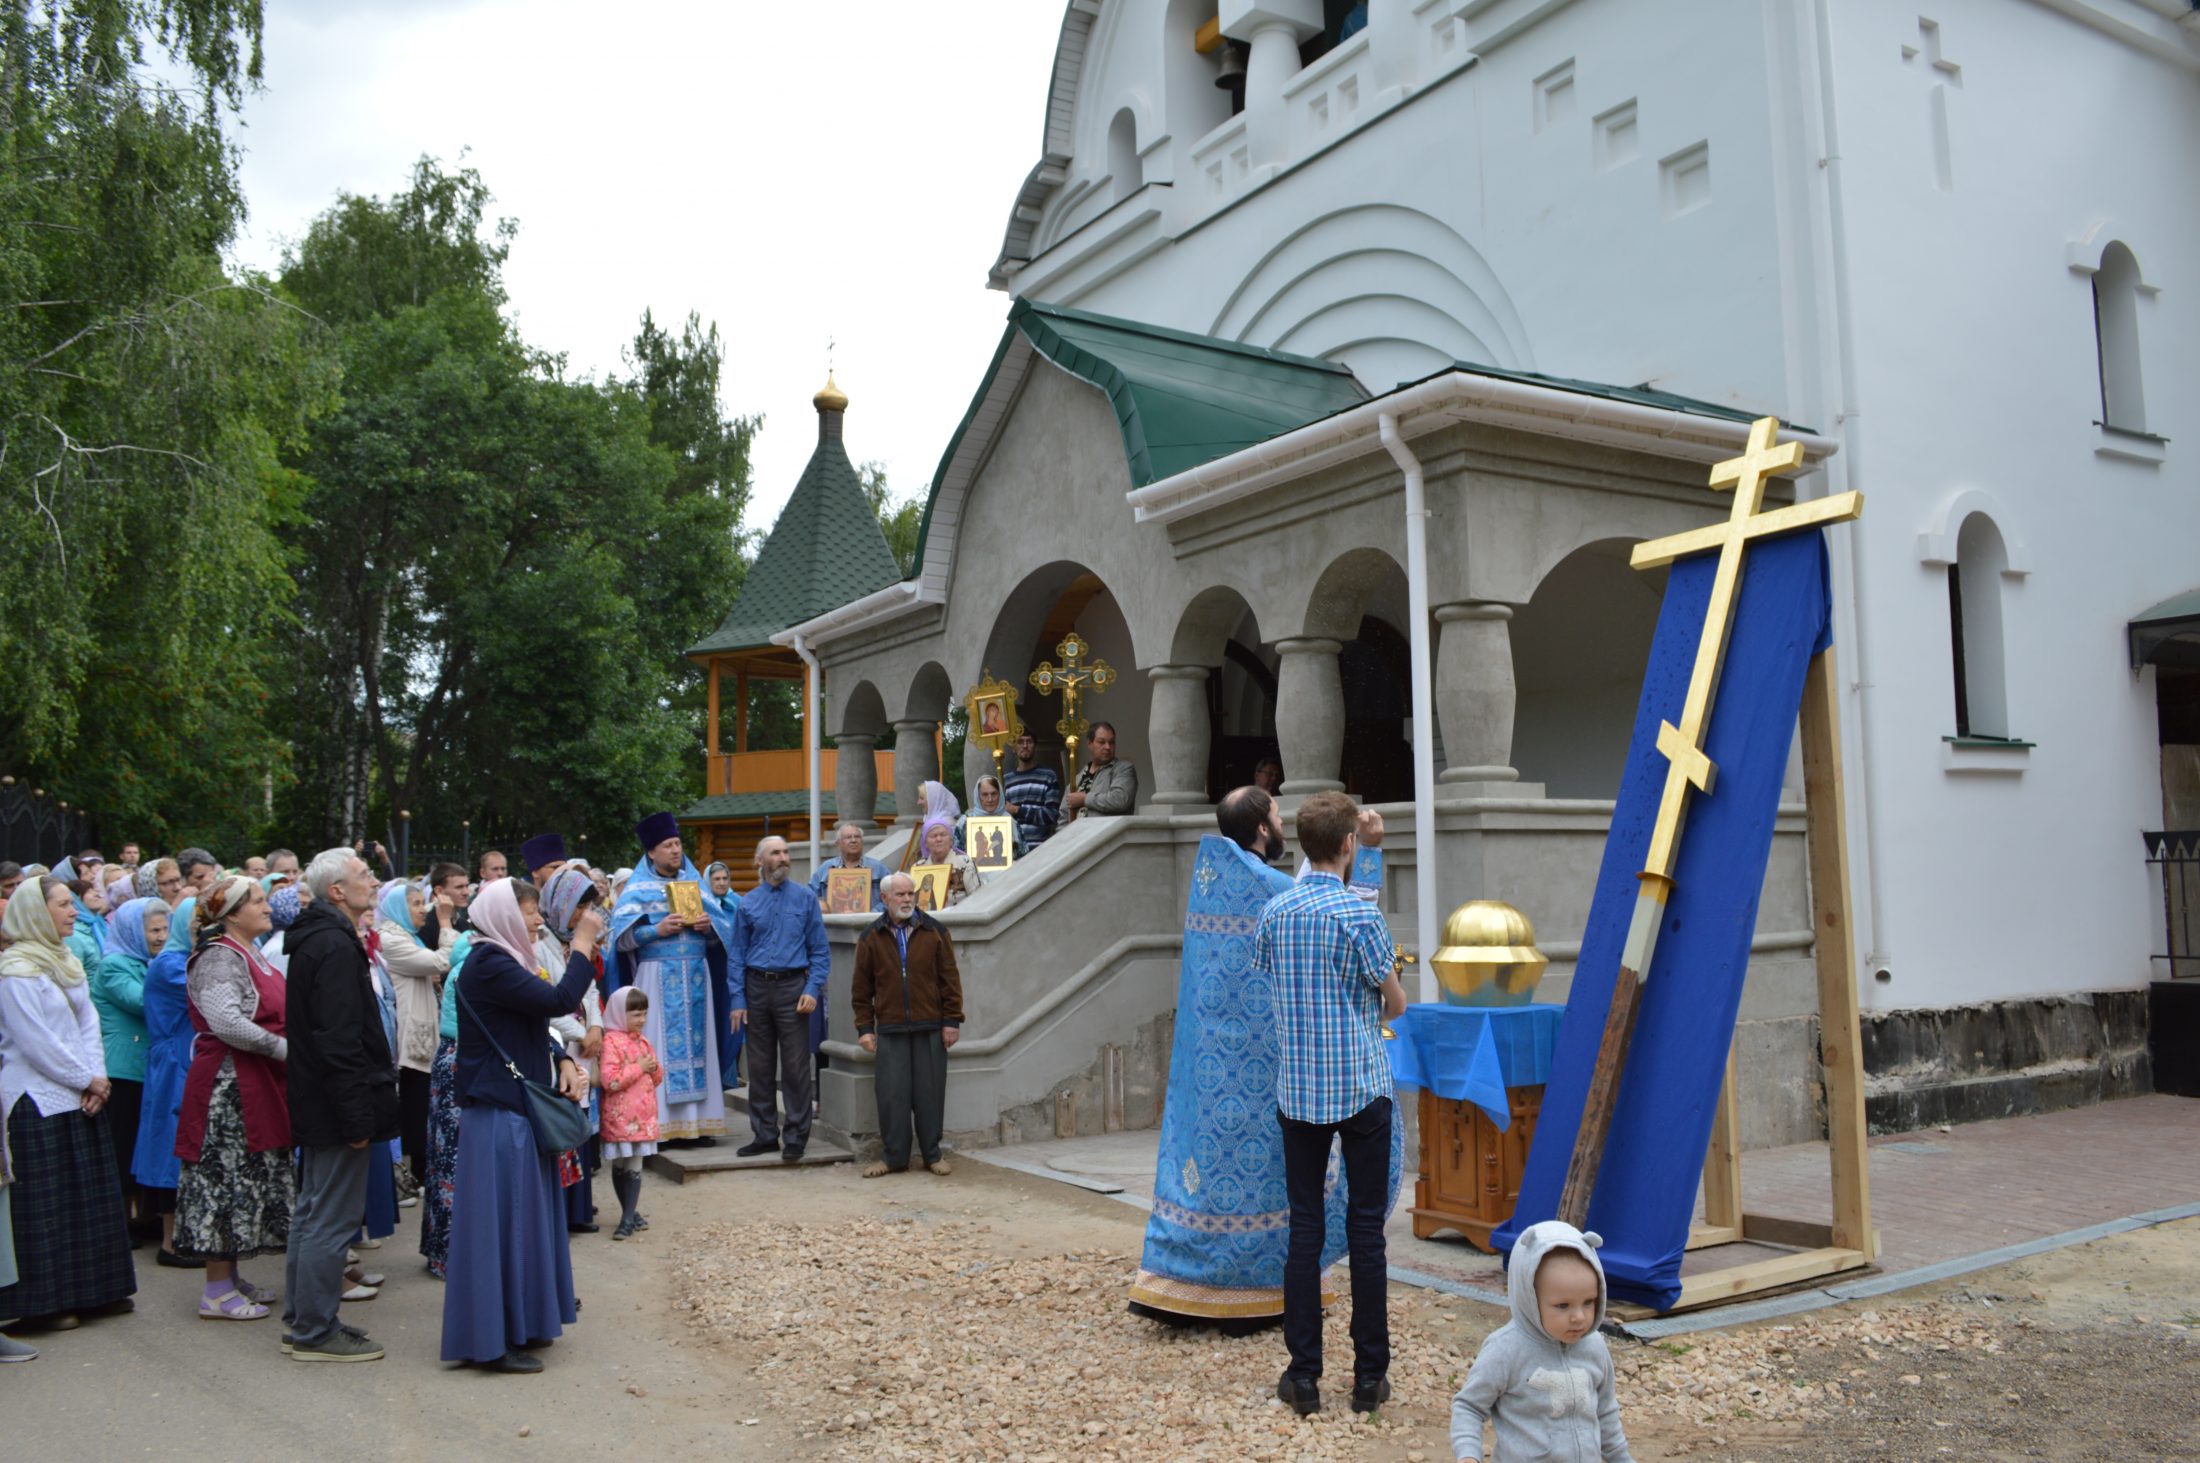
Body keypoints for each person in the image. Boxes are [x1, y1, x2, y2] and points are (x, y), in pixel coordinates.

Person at [1129, 784, 1396, 1331]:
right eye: (1274, 816)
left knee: (1287, 1209)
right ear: (1262, 831)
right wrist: (1367, 854)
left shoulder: (1220, 883)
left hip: (1231, 1076)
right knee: (1333, 1216)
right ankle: (1351, 1352)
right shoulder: (1272, 890)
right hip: (1283, 1075)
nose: (1280, 826)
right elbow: (1341, 909)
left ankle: (1201, 1286)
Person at [1259, 791, 1407, 1417]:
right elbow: (1394, 1003)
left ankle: (1304, 1376)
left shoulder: (1275, 913)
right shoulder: (1359, 916)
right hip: (1359, 1083)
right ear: (1349, 845)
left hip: (1300, 1087)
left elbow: (1270, 980)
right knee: (1365, 1230)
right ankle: (1369, 1377)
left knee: (1305, 1229)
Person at [440, 877, 596, 1374]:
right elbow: (556, 1002)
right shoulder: (490, 963)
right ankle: (493, 1341)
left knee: (520, 1222)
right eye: (529, 913)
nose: (536, 922)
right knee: (504, 1225)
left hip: (513, 1108)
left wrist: (562, 1060)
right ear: (505, 915)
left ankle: (521, 1323)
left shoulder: (502, 960)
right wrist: (585, 946)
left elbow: (528, 1025)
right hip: (498, 1114)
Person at [0, 876, 138, 1329]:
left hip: (79, 1094)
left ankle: (96, 1292)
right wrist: (88, 1079)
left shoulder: (65, 960)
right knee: (45, 1208)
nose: (73, 911)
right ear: (37, 912)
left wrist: (94, 1077)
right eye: (62, 904)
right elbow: (36, 1041)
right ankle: (45, 1305)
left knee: (86, 1198)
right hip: (35, 1099)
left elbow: (87, 1024)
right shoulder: (15, 970)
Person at [281, 848, 399, 1363]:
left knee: (313, 1212)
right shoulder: (331, 944)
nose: (373, 882)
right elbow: (338, 1041)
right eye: (364, 875)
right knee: (329, 1217)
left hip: (322, 1101)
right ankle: (314, 1330)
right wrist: (356, 1116)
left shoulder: (324, 937)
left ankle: (306, 1317)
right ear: (336, 892)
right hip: (336, 1105)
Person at [173, 876, 292, 1322]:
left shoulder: (248, 952)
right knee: (224, 1176)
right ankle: (216, 1290)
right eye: (256, 900)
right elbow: (227, 1021)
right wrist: (283, 1049)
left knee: (247, 1176)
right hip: (226, 1087)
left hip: (251, 1080)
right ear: (232, 912)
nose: (266, 906)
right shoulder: (220, 957)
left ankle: (231, 1275)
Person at [1450, 1221, 1634, 1463]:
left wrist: (1622, 1458)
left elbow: (1606, 1411)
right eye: (1562, 1305)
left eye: (1588, 1302)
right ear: (1529, 1298)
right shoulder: (1506, 1350)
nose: (1579, 1316)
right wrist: (1468, 1455)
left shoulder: (1594, 1347)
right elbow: (1469, 1407)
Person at [605, 813, 734, 1146]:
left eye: (678, 844)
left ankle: (697, 1126)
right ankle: (660, 1127)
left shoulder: (695, 884)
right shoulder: (636, 890)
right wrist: (655, 930)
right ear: (652, 851)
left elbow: (723, 935)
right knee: (657, 1046)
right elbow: (619, 941)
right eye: (668, 845)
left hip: (696, 975)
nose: (676, 850)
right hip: (656, 976)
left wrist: (710, 929)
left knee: (699, 1046)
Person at [852, 872, 962, 1179]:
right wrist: (865, 1028)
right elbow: (861, 989)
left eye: (910, 894)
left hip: (930, 1026)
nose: (907, 899)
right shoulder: (871, 937)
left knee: (929, 1094)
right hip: (890, 1028)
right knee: (892, 1096)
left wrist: (951, 1020)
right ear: (884, 898)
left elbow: (950, 979)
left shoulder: (934, 931)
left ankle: (932, 1154)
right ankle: (894, 1158)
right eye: (899, 895)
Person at [729, 835, 829, 1161]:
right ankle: (765, 1134)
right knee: (758, 1066)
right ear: (760, 861)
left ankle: (797, 1136)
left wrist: (812, 989)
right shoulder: (747, 903)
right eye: (776, 853)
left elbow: (820, 951)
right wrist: (737, 999)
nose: (784, 858)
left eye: (786, 852)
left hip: (793, 989)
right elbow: (737, 955)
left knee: (797, 1067)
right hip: (756, 987)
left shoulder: (805, 899)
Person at [91, 896, 165, 1240]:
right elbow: (141, 1002)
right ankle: (121, 1224)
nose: (162, 936)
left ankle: (145, 1218)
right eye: (153, 930)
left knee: (141, 1142)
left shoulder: (149, 962)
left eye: (166, 929)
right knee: (123, 1145)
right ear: (134, 931)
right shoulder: (115, 964)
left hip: (144, 1065)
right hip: (123, 1068)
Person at [537, 868, 605, 1236]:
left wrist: (595, 1027)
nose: (584, 915)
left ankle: (579, 1209)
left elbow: (589, 987)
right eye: (579, 906)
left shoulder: (573, 940)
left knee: (580, 1125)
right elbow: (548, 1000)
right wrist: (580, 1033)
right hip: (560, 1044)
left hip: (582, 1042)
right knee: (561, 1122)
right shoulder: (539, 942)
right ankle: (559, 1212)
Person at [133, 894, 198, 1268]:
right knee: (173, 1149)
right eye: (195, 926)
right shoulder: (170, 965)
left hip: (184, 1058)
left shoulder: (181, 960)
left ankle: (183, 1237)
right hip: (174, 1063)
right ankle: (171, 1242)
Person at [380, 876, 455, 1188]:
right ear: (398, 907)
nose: (422, 909)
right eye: (414, 903)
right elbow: (443, 960)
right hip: (411, 1037)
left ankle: (419, 1171)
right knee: (413, 1107)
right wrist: (446, 921)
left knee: (420, 1105)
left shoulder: (408, 937)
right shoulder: (391, 939)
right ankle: (411, 1172)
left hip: (423, 1029)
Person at [419, 923, 473, 1281]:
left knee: (444, 1159)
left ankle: (441, 1250)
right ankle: (455, 1255)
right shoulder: (477, 965)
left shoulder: (464, 961)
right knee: (457, 1160)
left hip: (449, 1060)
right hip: (463, 1062)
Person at [597, 985, 660, 1240]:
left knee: (635, 1163)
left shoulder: (643, 1041)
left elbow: (656, 1078)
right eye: (636, 1014)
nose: (641, 1020)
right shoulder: (610, 1042)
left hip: (642, 1116)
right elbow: (609, 1080)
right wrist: (639, 1067)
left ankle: (627, 1217)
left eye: (644, 1014)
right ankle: (629, 1212)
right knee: (621, 1163)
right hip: (620, 1116)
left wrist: (654, 1069)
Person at [1062, 721, 1137, 820]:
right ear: (1089, 744)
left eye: (1111, 742)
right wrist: (1066, 834)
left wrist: (1084, 799)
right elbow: (1063, 815)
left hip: (1107, 834)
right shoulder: (1078, 778)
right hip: (1078, 834)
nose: (1107, 747)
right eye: (1101, 742)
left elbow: (1120, 800)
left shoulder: (1123, 769)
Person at [807, 822, 887, 911]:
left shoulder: (878, 868)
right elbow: (808, 897)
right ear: (838, 844)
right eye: (848, 837)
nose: (853, 840)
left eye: (857, 837)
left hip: (870, 923)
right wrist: (822, 907)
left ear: (862, 842)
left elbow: (891, 898)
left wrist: (873, 913)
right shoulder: (826, 868)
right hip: (834, 923)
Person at [1002, 732, 1064, 846]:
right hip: (1014, 848)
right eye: (1020, 742)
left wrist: (1018, 810)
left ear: (1035, 746)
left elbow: (1051, 815)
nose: (1025, 746)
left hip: (1040, 847)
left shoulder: (1048, 776)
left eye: (1029, 741)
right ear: (1014, 748)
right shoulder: (1006, 780)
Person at [956, 775, 1029, 859]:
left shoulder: (1010, 821)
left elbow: (1023, 854)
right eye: (985, 794)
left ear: (1000, 795)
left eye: (994, 794)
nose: (990, 799)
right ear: (978, 796)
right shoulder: (965, 822)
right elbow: (956, 853)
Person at [917, 818, 984, 906]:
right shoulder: (919, 867)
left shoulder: (965, 862)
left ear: (951, 840)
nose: (939, 839)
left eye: (943, 834)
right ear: (925, 842)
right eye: (933, 836)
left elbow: (977, 896)